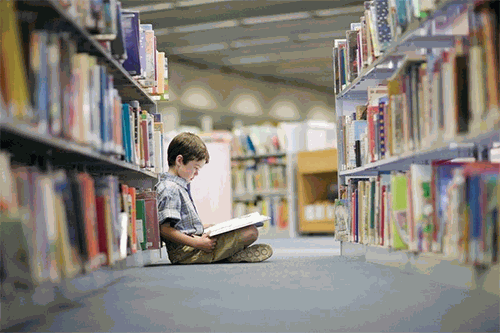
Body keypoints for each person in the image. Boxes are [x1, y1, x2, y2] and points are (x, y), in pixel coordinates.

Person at [156, 132, 273, 264]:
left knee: (246, 229)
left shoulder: (178, 185)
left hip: (195, 242)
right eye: (195, 168)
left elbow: (182, 226)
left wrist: (210, 227)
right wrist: (198, 243)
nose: (197, 173)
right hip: (187, 252)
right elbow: (164, 229)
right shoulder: (170, 188)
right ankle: (229, 255)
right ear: (179, 161)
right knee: (250, 232)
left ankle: (228, 254)